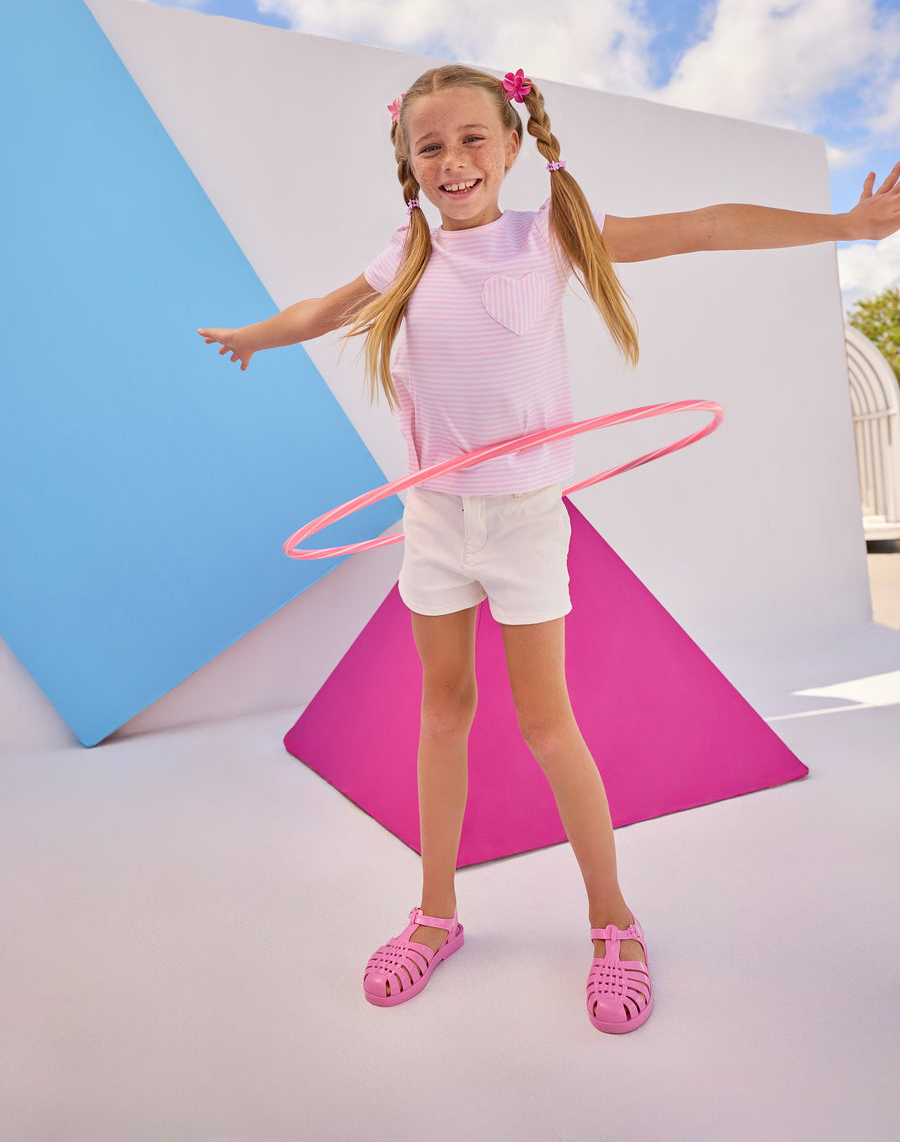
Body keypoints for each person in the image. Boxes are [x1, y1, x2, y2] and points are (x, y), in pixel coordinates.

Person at [199, 63, 900, 1034]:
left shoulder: (550, 235)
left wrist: (843, 228)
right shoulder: (408, 250)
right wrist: (253, 336)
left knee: (545, 721)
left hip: (525, 519)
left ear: (515, 144)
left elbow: (701, 226)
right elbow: (324, 311)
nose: (453, 160)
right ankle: (435, 911)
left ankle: (613, 919)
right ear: (408, 160)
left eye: (472, 138)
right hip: (435, 520)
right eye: (430, 144)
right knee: (441, 711)